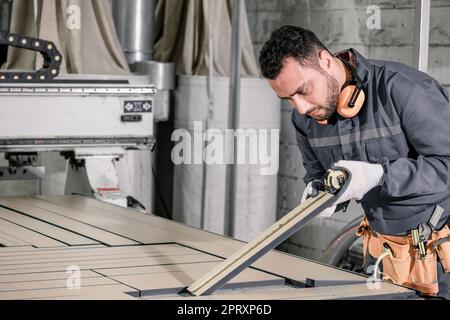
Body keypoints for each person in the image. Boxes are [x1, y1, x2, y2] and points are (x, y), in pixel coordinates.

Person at [259, 25, 450, 299]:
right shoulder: (305, 120)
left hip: (442, 257)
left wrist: (380, 175)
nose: (300, 107)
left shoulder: (404, 90)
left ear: (325, 61)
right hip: (382, 257)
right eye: (288, 98)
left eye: (303, 90)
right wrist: (320, 195)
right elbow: (319, 175)